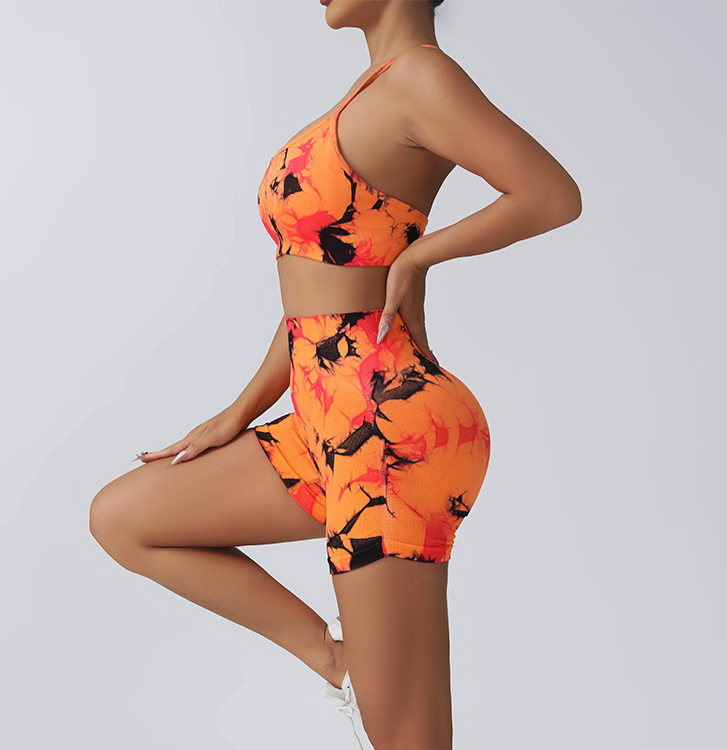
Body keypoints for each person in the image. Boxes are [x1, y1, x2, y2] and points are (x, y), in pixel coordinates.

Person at [89, 0, 582, 748]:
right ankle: (335, 659)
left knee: (407, 739)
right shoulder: (373, 89)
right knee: (124, 517)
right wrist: (238, 411)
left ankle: (364, 680)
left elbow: (551, 195)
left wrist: (419, 256)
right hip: (322, 420)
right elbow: (318, 303)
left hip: (387, 428)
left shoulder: (421, 77)